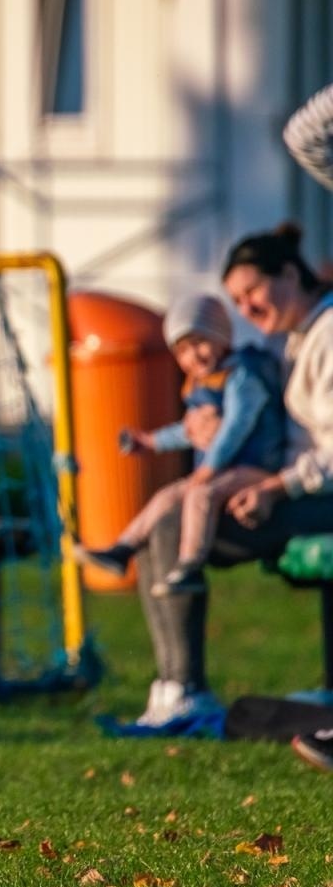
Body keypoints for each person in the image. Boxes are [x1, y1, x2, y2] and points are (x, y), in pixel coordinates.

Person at [130, 223, 333, 729]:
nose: (245, 309)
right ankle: (172, 687)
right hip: (298, 487)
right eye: (236, 301)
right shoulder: (293, 339)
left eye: (252, 292)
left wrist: (273, 487)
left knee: (175, 524)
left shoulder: (327, 335)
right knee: (167, 516)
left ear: (289, 273)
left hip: (315, 494)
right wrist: (211, 424)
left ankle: (186, 690)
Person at [75, 294, 284, 598]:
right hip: (220, 470)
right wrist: (150, 441)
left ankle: (189, 565)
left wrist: (210, 467)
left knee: (200, 493)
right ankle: (123, 549)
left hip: (256, 468)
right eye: (183, 350)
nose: (193, 356)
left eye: (201, 342)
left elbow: (236, 426)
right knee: (167, 496)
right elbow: (189, 431)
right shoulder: (201, 384)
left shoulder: (242, 375)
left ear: (221, 337)